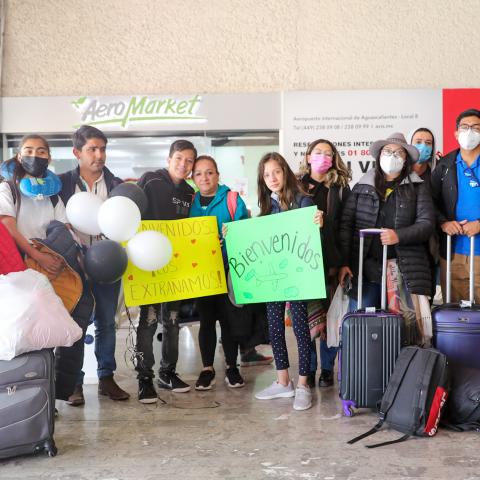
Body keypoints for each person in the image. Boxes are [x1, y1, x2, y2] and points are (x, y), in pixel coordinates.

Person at [0, 135, 93, 402]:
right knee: (29, 335)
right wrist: (36, 256)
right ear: (19, 156)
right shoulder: (9, 189)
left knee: (71, 322)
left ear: (49, 157)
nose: (34, 155)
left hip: (55, 266)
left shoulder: (52, 195)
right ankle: (29, 398)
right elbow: (7, 226)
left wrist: (61, 258)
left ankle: (61, 390)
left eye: (41, 151)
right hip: (22, 271)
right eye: (28, 150)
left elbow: (65, 227)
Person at [338, 133, 435, 343]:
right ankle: (364, 371)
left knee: (406, 331)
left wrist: (398, 236)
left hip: (404, 270)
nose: (393, 156)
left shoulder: (418, 187)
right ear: (379, 156)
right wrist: (345, 262)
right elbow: (346, 226)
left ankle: (404, 373)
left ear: (406, 160)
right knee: (361, 328)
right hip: (366, 270)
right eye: (388, 152)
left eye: (399, 153)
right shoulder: (361, 187)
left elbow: (427, 224)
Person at [59, 125, 129, 406]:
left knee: (107, 323)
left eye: (102, 149)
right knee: (76, 324)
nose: (99, 155)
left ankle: (106, 377)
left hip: (109, 263)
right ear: (77, 152)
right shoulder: (62, 184)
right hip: (73, 265)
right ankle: (73, 382)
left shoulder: (118, 185)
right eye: (92, 149)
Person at [252, 152, 323, 411]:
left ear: (286, 173)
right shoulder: (267, 206)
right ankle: (283, 382)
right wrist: (234, 232)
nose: (272, 178)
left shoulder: (303, 201)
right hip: (274, 278)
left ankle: (303, 384)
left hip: (298, 276)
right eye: (267, 174)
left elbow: (312, 235)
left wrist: (318, 222)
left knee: (302, 329)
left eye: (277, 172)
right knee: (274, 327)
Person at [135, 139, 196, 403]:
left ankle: (167, 373)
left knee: (172, 321)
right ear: (169, 158)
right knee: (147, 322)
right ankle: (144, 379)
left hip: (175, 267)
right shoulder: (150, 180)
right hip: (146, 264)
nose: (183, 164)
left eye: (189, 161)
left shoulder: (189, 193)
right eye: (179, 158)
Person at [189, 155, 248, 390]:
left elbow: (246, 229)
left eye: (210, 172)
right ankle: (207, 368)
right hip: (202, 272)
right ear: (193, 178)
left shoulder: (232, 199)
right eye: (199, 173)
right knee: (206, 320)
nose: (205, 177)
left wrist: (232, 231)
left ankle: (232, 366)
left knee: (228, 319)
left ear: (217, 175)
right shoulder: (190, 202)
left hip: (227, 269)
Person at [300, 139, 351, 389]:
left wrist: (343, 262)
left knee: (331, 318)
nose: (323, 157)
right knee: (307, 317)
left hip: (331, 261)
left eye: (328, 154)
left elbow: (346, 226)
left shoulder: (340, 188)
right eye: (318, 152)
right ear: (308, 156)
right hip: (303, 263)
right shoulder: (296, 185)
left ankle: (328, 369)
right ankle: (307, 368)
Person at [431, 109, 480, 303]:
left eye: (476, 128)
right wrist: (443, 223)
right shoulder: (445, 165)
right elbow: (429, 201)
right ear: (456, 133)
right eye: (465, 127)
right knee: (456, 313)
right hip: (453, 252)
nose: (470, 132)